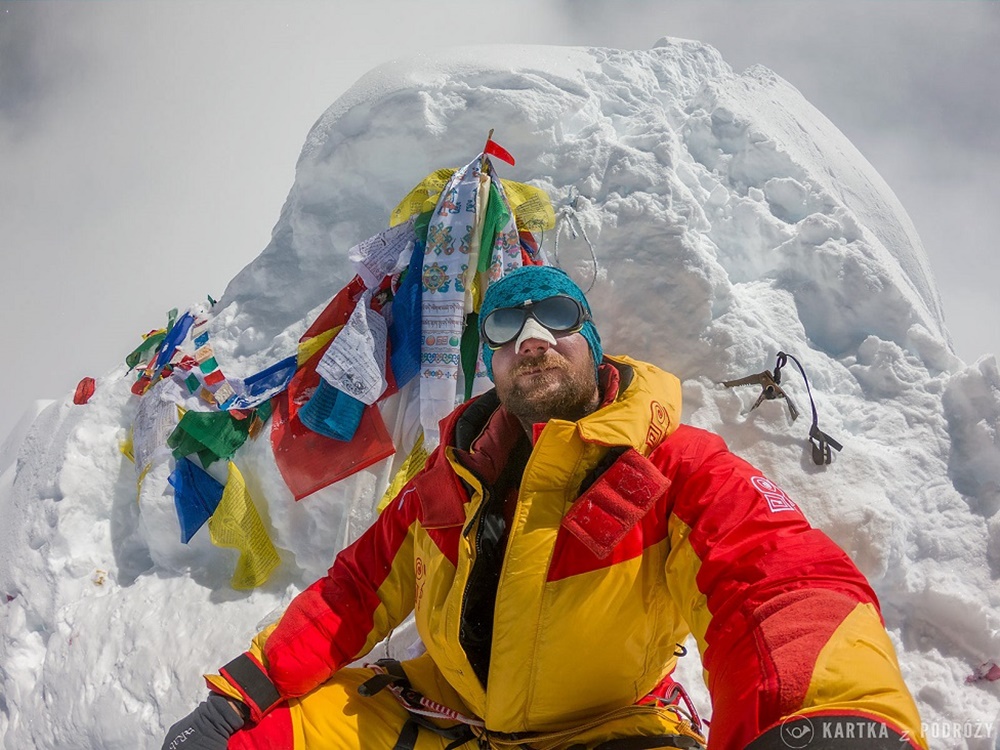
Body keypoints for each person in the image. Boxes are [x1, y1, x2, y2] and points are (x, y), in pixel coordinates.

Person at [162, 265, 926, 750]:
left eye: (556, 317)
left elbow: (779, 581)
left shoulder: (673, 465)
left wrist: (826, 719)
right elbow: (353, 592)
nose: (533, 339)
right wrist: (243, 694)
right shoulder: (450, 475)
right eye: (506, 327)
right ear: (492, 364)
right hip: (442, 715)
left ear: (591, 340)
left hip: (608, 733)